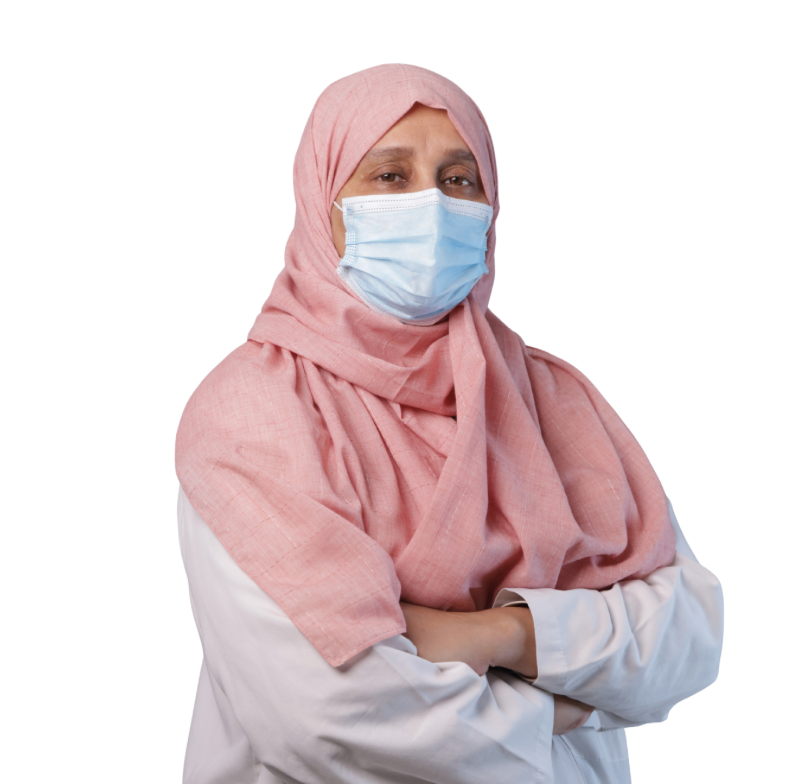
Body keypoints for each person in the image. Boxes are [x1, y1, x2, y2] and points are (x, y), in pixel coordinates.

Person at [176, 64, 723, 784]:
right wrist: (572, 705)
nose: (431, 205)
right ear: (320, 200)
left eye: (459, 180)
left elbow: (690, 634)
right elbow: (332, 715)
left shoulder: (549, 399)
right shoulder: (254, 413)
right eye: (390, 177)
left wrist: (500, 634)